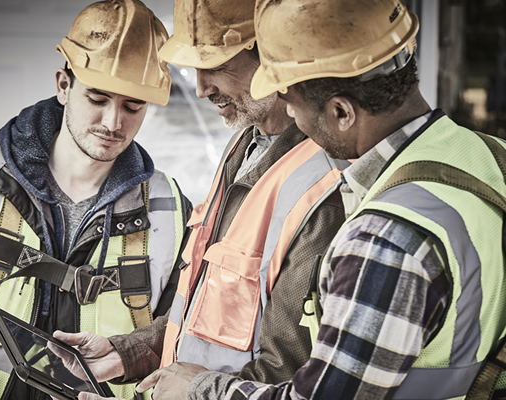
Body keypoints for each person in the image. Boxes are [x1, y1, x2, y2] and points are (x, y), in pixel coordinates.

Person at [54, 0, 349, 399]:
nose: (200, 87)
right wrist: (126, 353)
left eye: (215, 66)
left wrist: (192, 391)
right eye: (194, 68)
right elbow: (207, 318)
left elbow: (289, 376)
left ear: (275, 56)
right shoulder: (244, 146)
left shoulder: (322, 189)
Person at [215, 0, 506, 399]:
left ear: (341, 112)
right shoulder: (491, 155)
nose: (295, 122)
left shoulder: (386, 240)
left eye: (294, 107)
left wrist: (202, 389)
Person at [0, 1, 192, 399]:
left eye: (133, 106)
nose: (114, 123)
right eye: (97, 98)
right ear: (63, 85)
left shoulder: (171, 209)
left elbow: (183, 341)